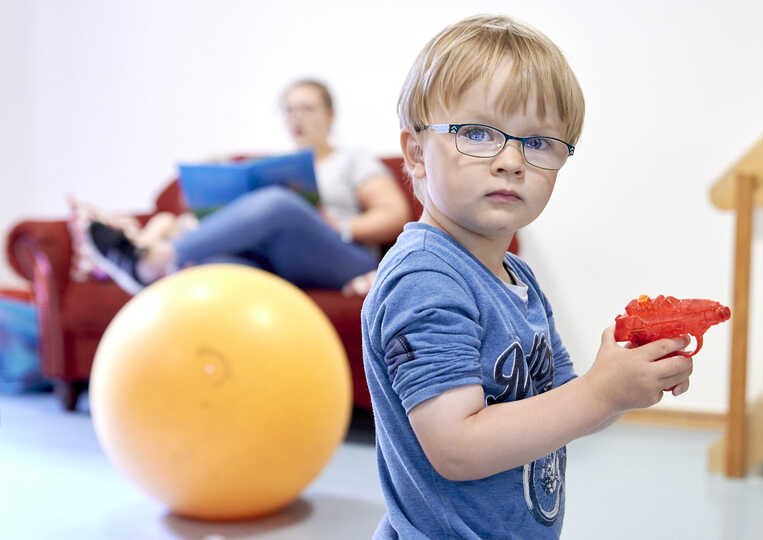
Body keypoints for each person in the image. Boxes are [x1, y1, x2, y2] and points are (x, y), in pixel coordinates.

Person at [361, 15, 694, 539]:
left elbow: (562, 404)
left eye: (539, 142)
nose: (512, 161)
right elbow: (455, 448)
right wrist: (600, 395)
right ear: (416, 153)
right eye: (476, 133)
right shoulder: (426, 277)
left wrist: (623, 378)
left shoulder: (516, 276)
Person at [88, 79, 411, 294]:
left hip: (343, 258)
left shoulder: (351, 159)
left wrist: (340, 225)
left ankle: (151, 259)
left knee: (278, 203)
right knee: (211, 262)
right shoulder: (277, 165)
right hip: (278, 265)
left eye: (308, 108)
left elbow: (395, 214)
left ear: (330, 115)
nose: (297, 117)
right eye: (290, 109)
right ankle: (165, 266)